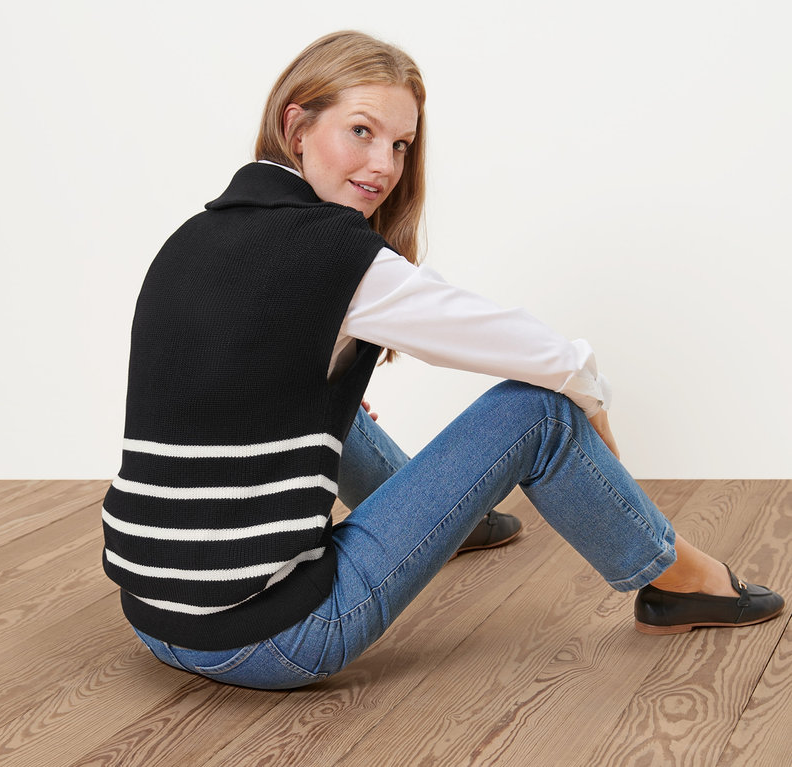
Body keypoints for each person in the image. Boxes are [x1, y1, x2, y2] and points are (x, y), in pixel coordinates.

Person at [101, 31, 783, 689]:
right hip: (274, 637)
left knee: (330, 400)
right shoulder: (335, 254)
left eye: (400, 144)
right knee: (539, 409)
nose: (383, 167)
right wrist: (594, 407)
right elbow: (548, 355)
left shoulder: (193, 235)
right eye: (361, 132)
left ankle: (457, 524)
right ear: (297, 126)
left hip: (154, 616)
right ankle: (681, 582)